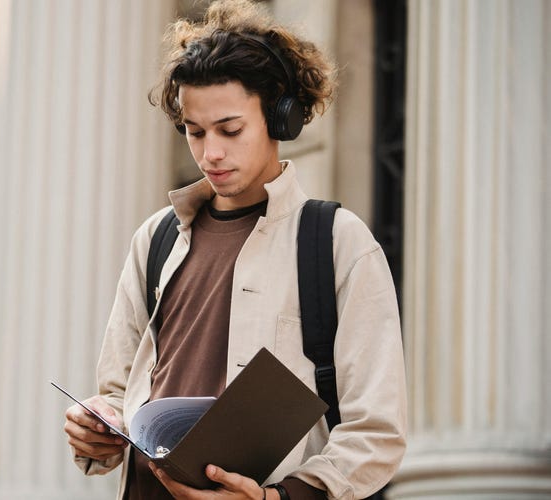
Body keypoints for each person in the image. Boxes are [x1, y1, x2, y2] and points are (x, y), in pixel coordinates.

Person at [63, 1, 406, 499]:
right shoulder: (155, 239)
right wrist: (94, 428)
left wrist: (275, 498)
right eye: (195, 132)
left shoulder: (338, 242)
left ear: (280, 118)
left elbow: (377, 433)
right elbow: (116, 394)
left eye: (230, 130)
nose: (211, 153)